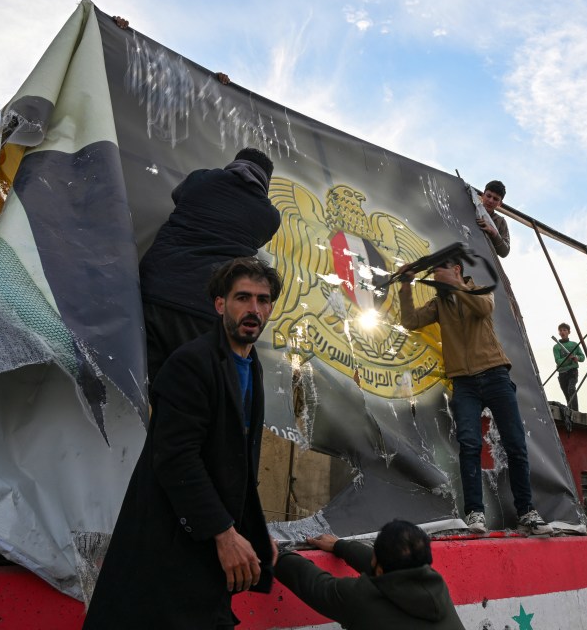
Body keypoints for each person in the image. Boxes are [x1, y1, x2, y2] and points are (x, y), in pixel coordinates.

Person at [84, 257, 283, 630]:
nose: (253, 309)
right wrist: (224, 534)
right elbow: (176, 458)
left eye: (262, 299)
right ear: (220, 304)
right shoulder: (191, 363)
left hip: (204, 548)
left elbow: (234, 464)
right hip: (169, 545)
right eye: (243, 298)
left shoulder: (250, 365)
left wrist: (253, 531)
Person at [399, 257, 552, 535]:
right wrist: (406, 286)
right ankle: (475, 514)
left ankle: (527, 511)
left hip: (495, 374)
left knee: (515, 444)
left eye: (439, 271)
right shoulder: (439, 304)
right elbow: (409, 320)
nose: (435, 277)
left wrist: (456, 287)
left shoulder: (479, 291)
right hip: (463, 382)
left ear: (456, 270)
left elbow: (482, 309)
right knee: (469, 446)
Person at [139, 147, 282, 382]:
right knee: (183, 390)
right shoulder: (269, 216)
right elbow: (259, 238)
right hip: (205, 308)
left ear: (235, 164)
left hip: (155, 289)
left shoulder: (200, 179)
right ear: (266, 181)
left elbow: (178, 196)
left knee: (138, 383)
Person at [274, 520, 465, 629]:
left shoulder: (362, 598)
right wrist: (341, 546)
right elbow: (388, 570)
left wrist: (275, 555)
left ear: (380, 569)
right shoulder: (435, 586)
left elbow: (317, 586)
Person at [553, 322, 585, 411]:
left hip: (572, 371)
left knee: (571, 389)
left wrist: (576, 358)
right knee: (567, 394)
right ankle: (570, 411)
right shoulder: (556, 347)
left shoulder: (574, 345)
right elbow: (558, 361)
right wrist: (567, 358)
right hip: (562, 373)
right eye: (561, 330)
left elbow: (582, 357)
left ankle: (575, 411)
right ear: (559, 333)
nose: (562, 332)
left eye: (564, 330)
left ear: (569, 332)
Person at [475, 180, 511, 258]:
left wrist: (494, 232)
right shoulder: (469, 207)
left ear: (500, 203)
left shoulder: (501, 222)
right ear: (482, 195)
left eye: (495, 199)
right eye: (488, 196)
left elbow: (505, 252)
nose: (491, 200)